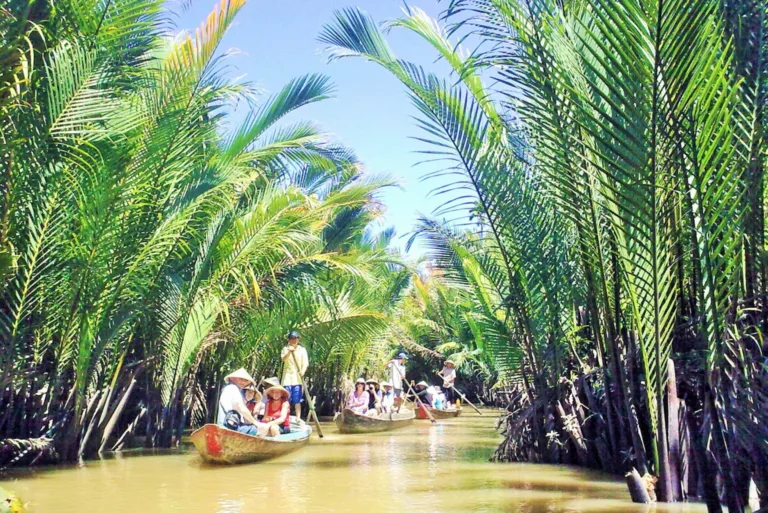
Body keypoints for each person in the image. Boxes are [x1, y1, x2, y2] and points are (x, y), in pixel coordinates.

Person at [217, 368, 262, 436]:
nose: (243, 382)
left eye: (245, 380)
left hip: (228, 425)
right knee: (254, 429)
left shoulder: (230, 388)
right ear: (233, 378)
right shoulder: (233, 388)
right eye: (241, 379)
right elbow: (240, 407)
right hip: (228, 426)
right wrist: (255, 422)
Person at [280, 330, 308, 420]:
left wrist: (303, 371)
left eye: (295, 338)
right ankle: (285, 417)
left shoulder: (302, 350)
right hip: (287, 379)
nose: (293, 340)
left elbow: (305, 363)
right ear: (289, 340)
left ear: (298, 339)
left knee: (297, 400)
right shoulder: (285, 349)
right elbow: (283, 359)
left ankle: (298, 418)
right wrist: (289, 352)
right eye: (291, 339)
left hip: (297, 379)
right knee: (286, 399)